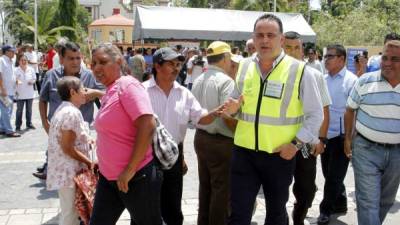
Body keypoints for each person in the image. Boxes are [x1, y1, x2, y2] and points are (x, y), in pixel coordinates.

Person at [223, 14, 323, 225]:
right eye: (260, 35)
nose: (265, 40)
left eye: (270, 35)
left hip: (279, 155)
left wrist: (296, 144)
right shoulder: (245, 66)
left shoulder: (300, 70)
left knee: (276, 215)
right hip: (244, 153)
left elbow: (316, 115)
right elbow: (235, 103)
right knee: (238, 214)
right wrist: (231, 110)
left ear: (281, 39)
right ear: (253, 38)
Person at [144, 47, 221, 225]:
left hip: (173, 156)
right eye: (171, 64)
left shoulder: (184, 94)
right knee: (146, 207)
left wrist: (218, 112)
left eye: (178, 64)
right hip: (146, 155)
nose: (176, 68)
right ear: (157, 65)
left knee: (172, 208)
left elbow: (200, 119)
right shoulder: (142, 91)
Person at [89, 43, 162, 225]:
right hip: (109, 178)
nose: (97, 68)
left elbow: (147, 124)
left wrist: (129, 169)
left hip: (135, 178)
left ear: (119, 61)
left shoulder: (128, 86)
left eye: (103, 62)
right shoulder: (111, 89)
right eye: (93, 63)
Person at [344, 40, 400, 225]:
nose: (387, 63)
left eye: (395, 59)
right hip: (366, 149)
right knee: (368, 202)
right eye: (385, 57)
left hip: (397, 154)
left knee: (386, 200)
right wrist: (348, 139)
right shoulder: (365, 81)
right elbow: (350, 110)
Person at [33, 41, 104, 180]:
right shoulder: (51, 75)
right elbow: (43, 99)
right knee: (63, 170)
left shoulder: (89, 76)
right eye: (71, 58)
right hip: (59, 130)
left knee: (81, 171)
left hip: (83, 132)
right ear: (61, 59)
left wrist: (95, 92)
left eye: (78, 58)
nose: (75, 62)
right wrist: (44, 122)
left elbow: (105, 94)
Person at [283, 31, 332, 225]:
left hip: (305, 144)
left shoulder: (314, 74)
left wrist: (321, 139)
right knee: (277, 188)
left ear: (302, 49)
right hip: (281, 142)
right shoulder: (274, 73)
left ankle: (299, 219)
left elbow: (325, 110)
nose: (293, 52)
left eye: (297, 47)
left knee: (307, 189)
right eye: (288, 47)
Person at [192, 41, 236, 225]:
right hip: (221, 142)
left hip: (201, 138)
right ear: (225, 58)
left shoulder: (199, 79)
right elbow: (227, 114)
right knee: (220, 190)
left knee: (206, 186)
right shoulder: (225, 81)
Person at [317, 44, 358, 225]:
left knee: (334, 177)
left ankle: (324, 211)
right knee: (328, 173)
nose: (326, 60)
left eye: (330, 57)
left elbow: (355, 112)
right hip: (325, 134)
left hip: (342, 137)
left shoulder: (352, 81)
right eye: (325, 57)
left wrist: (350, 138)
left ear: (341, 59)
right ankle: (340, 203)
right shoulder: (322, 79)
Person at [46, 76, 95, 225]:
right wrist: (90, 163)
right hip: (69, 172)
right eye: (83, 89)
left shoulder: (64, 109)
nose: (85, 92)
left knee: (71, 212)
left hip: (67, 171)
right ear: (73, 92)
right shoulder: (71, 113)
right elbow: (67, 147)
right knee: (70, 215)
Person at [0, 44, 20, 137]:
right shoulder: (2, 60)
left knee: (8, 110)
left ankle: (2, 128)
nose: (13, 53)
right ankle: (9, 130)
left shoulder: (10, 61)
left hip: (10, 90)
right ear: (6, 52)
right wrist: (2, 88)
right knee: (6, 110)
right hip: (4, 91)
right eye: (12, 51)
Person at [14, 55, 36, 131]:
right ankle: (18, 125)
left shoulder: (31, 69)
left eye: (25, 60)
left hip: (29, 93)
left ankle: (29, 124)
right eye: (22, 60)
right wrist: (16, 81)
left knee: (29, 110)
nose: (24, 62)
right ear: (19, 61)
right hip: (20, 94)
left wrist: (32, 81)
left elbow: (34, 78)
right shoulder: (16, 70)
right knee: (19, 110)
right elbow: (13, 80)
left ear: (27, 61)